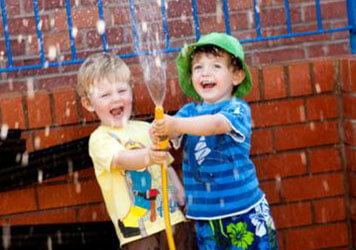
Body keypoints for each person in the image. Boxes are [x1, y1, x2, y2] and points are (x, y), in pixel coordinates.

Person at [152, 32, 278, 249]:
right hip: (205, 218)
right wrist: (159, 130)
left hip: (245, 214)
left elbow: (216, 125)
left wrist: (176, 125)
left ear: (237, 76)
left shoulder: (236, 109)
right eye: (198, 67)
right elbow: (172, 132)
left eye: (216, 66)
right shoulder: (188, 112)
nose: (205, 73)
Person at [77, 52, 193, 249]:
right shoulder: (100, 139)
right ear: (88, 104)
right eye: (105, 95)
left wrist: (179, 191)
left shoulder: (145, 128)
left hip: (172, 218)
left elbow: (166, 164)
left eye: (121, 91)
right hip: (139, 233)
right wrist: (148, 155)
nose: (116, 99)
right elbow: (120, 160)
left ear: (131, 91)